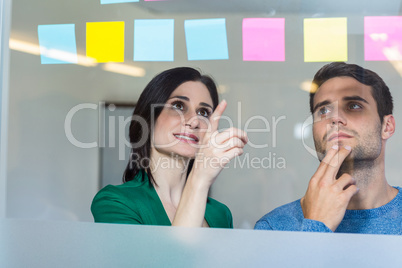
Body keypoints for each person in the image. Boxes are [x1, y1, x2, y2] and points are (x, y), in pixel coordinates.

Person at [255, 62, 402, 235]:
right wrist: (317, 226)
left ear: (387, 127)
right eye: (323, 110)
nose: (335, 118)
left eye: (354, 106)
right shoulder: (273, 227)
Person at [91, 67, 247, 228]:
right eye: (178, 106)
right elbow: (173, 253)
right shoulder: (116, 202)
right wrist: (199, 179)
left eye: (203, 112)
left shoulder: (220, 214)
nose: (194, 122)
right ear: (148, 119)